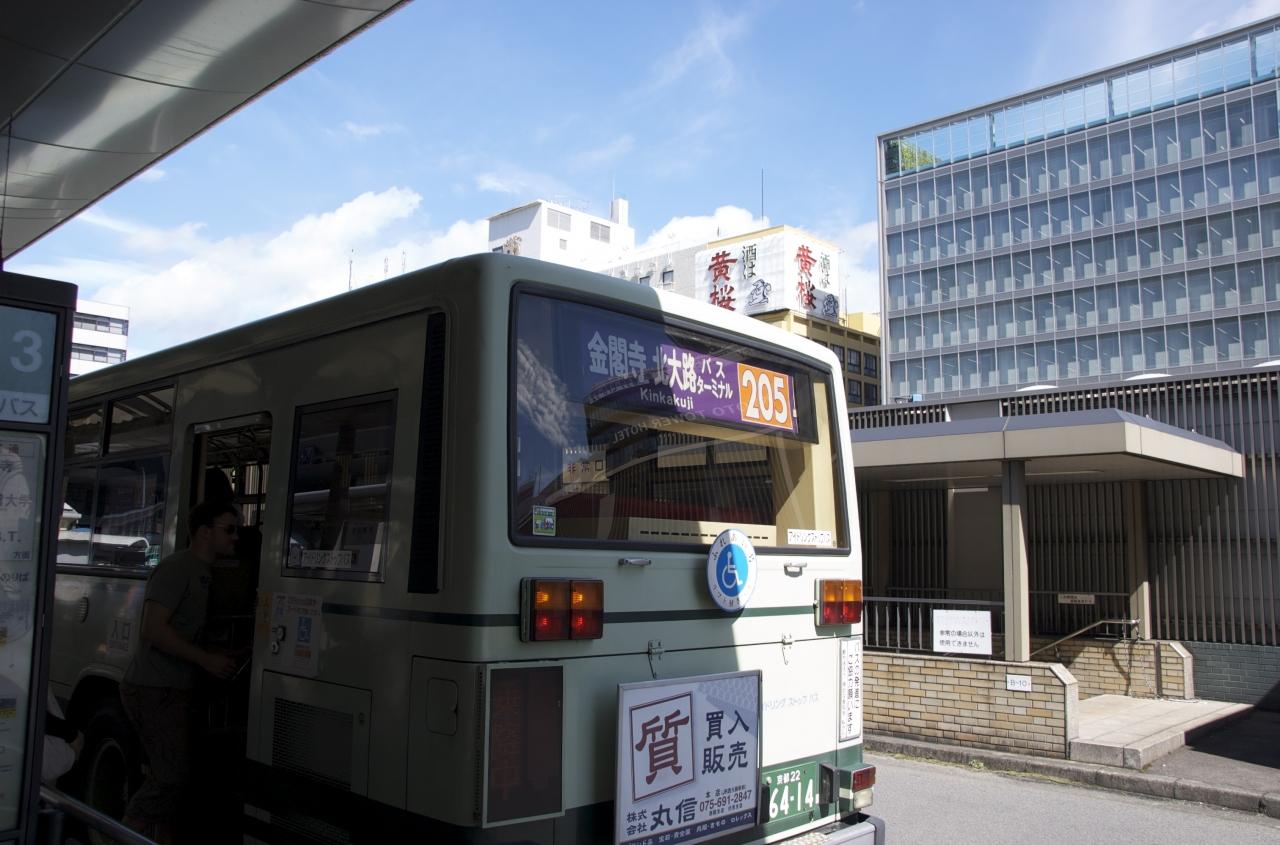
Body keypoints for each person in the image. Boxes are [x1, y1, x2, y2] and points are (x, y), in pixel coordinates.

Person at [120, 501, 239, 843]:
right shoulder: (176, 569)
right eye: (229, 529)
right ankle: (121, 835)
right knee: (170, 777)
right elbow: (153, 629)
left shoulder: (207, 573)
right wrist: (205, 660)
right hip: (153, 688)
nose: (236, 538)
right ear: (204, 532)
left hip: (174, 689)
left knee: (174, 779)